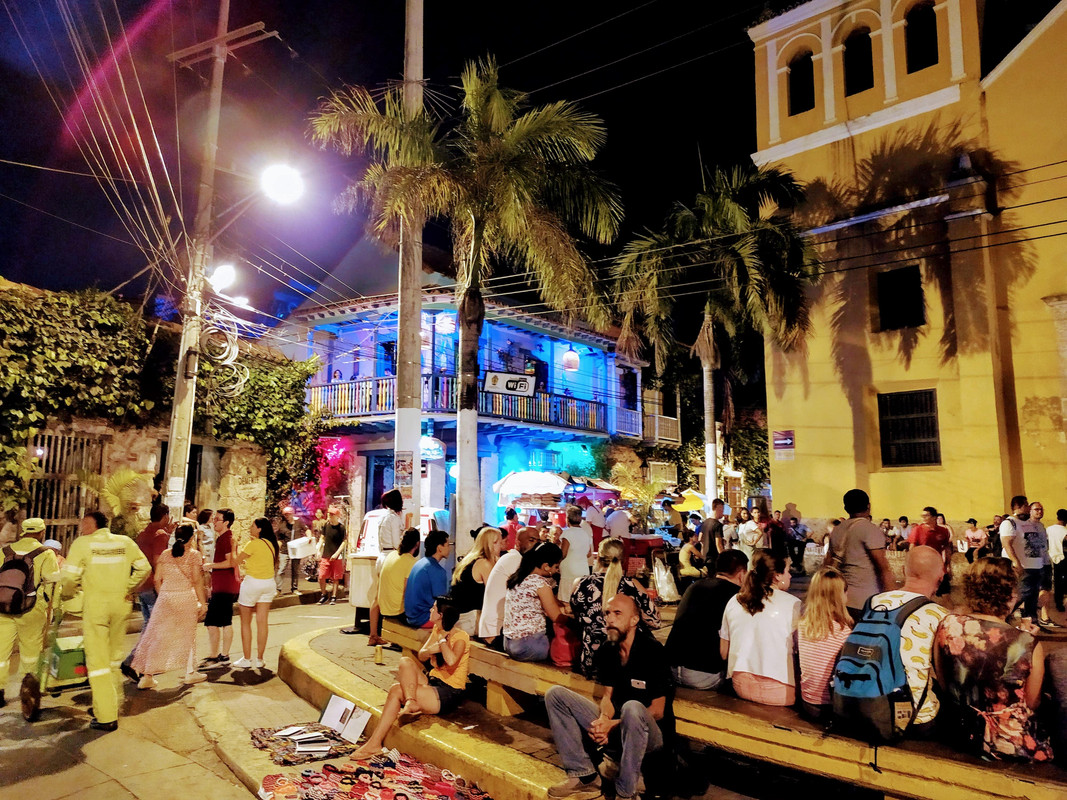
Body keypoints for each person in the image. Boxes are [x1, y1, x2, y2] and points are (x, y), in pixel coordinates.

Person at [546, 594, 673, 800]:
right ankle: (584, 777)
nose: (610, 619)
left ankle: (626, 793)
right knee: (556, 695)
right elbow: (608, 697)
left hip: (649, 735)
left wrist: (612, 724)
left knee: (632, 707)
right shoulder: (608, 650)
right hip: (619, 726)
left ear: (634, 620)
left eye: (617, 613)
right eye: (607, 613)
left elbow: (658, 711)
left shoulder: (652, 651)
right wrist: (604, 720)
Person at [934, 557, 1052, 761]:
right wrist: (1022, 639)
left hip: (958, 732)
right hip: (1007, 744)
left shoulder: (948, 625)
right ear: (1011, 594)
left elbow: (945, 684)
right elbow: (1032, 702)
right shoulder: (1028, 643)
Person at [61, 511, 150, 731]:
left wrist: (66, 594)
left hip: (96, 608)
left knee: (98, 663)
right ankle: (113, 703)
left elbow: (70, 577)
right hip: (121, 604)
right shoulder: (125, 542)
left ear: (92, 524)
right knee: (113, 658)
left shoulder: (83, 544)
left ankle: (106, 716)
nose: (82, 527)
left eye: (84, 523)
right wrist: (128, 587)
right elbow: (144, 568)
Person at [351, 596, 469, 760]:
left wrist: (441, 642)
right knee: (406, 662)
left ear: (441, 615)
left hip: (449, 692)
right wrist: (433, 647)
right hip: (433, 682)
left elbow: (451, 660)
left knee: (396, 691)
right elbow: (421, 655)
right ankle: (411, 702)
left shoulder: (461, 637)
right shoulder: (436, 630)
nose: (430, 610)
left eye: (434, 608)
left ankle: (374, 744)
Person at [865, 545, 949, 735]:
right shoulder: (940, 616)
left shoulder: (873, 602)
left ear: (903, 571)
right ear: (940, 578)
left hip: (867, 704)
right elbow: (944, 677)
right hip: (915, 719)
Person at [719, 550, 801, 706]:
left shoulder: (735, 600)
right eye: (788, 571)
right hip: (780, 691)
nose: (790, 576)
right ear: (777, 575)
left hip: (740, 685)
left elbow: (724, 652)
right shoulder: (793, 604)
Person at [571, 537, 661, 678]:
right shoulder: (632, 585)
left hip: (591, 662)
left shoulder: (580, 584)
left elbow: (577, 617)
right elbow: (655, 621)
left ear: (598, 558)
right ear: (624, 560)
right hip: (625, 663)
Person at [131, 524, 208, 688]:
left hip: (165, 597)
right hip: (185, 597)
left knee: (156, 636)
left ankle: (147, 676)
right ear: (191, 538)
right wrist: (202, 602)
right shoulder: (194, 555)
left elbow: (157, 579)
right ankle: (190, 673)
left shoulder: (166, 554)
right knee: (188, 635)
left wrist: (164, 594)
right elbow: (196, 580)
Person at [0, 517, 60, 716]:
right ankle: (28, 691)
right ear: (42, 533)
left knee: (1, 653)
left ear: (23, 532)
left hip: (3, 608)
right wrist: (55, 609)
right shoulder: (46, 554)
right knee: (30, 653)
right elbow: (53, 584)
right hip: (31, 610)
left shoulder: (4, 551)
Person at [666, 549, 748, 690]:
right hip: (703, 674)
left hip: (671, 667)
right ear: (741, 574)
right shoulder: (736, 597)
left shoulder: (694, 586)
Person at [823, 489, 895, 621]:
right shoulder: (870, 530)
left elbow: (827, 563)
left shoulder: (837, 530)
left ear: (845, 508)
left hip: (840, 597)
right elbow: (883, 568)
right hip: (865, 600)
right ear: (869, 506)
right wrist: (891, 601)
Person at [796, 568, 853, 720]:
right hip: (829, 708)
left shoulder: (803, 626)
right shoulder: (843, 632)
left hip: (807, 702)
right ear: (839, 596)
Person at [503, 542, 567, 662]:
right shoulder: (539, 583)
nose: (557, 571)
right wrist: (576, 621)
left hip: (509, 643)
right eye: (556, 567)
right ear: (546, 566)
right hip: (527, 646)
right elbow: (556, 617)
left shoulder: (519, 577)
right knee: (566, 649)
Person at [478, 526, 538, 646]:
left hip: (497, 629)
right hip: (495, 632)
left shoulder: (514, 558)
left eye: (538, 541)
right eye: (531, 540)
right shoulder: (514, 560)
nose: (536, 545)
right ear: (518, 542)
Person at [999, 495, 1053, 628]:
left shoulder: (1029, 523)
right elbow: (1006, 543)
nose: (1029, 508)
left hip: (1036, 566)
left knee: (1031, 599)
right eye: (1027, 505)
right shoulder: (1009, 523)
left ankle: (1030, 625)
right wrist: (1015, 561)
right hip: (1022, 567)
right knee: (1021, 595)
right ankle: (1001, 618)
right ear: (1020, 506)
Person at [233, 517, 279, 669]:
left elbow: (236, 561)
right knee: (262, 623)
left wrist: (234, 547)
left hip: (252, 583)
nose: (250, 528)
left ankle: (247, 659)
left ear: (259, 529)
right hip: (268, 584)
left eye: (252, 525)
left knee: (246, 622)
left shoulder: (252, 544)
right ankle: (259, 659)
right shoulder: (272, 545)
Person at [199, 508, 240, 670]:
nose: (214, 522)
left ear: (226, 522)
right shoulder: (224, 538)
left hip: (225, 586)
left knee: (215, 622)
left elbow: (230, 562)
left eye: (218, 519)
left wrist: (211, 565)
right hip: (224, 585)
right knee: (222, 621)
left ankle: (218, 656)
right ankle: (219, 655)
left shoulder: (226, 538)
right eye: (214, 519)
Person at [369, 527, 421, 645]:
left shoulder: (391, 555)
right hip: (397, 612)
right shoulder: (411, 562)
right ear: (417, 544)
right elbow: (409, 592)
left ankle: (373, 635)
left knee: (376, 597)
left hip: (383, 608)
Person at [450, 526, 501, 635]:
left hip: (458, 616)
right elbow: (494, 594)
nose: (501, 546)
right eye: (499, 543)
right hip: (469, 620)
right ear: (491, 544)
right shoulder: (484, 564)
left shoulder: (469, 559)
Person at [403, 530, 451, 628]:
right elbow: (442, 602)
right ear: (439, 548)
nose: (450, 548)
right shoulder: (437, 571)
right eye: (447, 545)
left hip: (411, 616)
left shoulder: (420, 563)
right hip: (423, 618)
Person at [1027, 501, 1062, 629]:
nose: (1039, 511)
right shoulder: (1026, 526)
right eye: (1036, 509)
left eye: (1041, 509)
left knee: (1046, 589)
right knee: (1033, 592)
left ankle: (1044, 618)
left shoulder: (1041, 526)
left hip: (1045, 562)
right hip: (1033, 564)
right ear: (1029, 511)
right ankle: (1030, 618)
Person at [912, 506, 953, 596]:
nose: (923, 518)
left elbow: (946, 548)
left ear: (934, 517)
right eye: (922, 515)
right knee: (925, 595)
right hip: (923, 567)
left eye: (926, 515)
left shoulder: (943, 531)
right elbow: (912, 548)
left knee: (945, 595)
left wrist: (948, 565)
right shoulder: (917, 530)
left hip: (939, 568)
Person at [558, 505, 593, 603]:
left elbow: (563, 554)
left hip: (569, 570)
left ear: (567, 519)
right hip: (583, 569)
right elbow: (589, 554)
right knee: (579, 599)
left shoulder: (567, 533)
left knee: (566, 600)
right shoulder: (585, 533)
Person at [318, 505, 347, 605]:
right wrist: (318, 547)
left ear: (337, 516)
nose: (330, 517)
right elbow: (322, 537)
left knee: (336, 577)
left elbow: (344, 542)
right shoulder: (326, 525)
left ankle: (334, 596)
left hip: (336, 556)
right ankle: (324, 594)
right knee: (321, 576)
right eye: (329, 515)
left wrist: (337, 553)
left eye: (332, 515)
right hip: (326, 554)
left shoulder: (341, 528)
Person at [697, 498, 726, 570]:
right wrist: (724, 558)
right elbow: (718, 545)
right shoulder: (717, 525)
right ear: (717, 508)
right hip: (714, 558)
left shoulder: (705, 523)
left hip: (705, 558)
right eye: (722, 509)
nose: (723, 512)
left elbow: (700, 539)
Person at [1049, 508, 1067, 613]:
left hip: (1050, 557)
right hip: (1063, 558)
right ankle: (1060, 604)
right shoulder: (1065, 531)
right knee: (1062, 581)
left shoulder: (1048, 529)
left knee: (1056, 582)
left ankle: (1058, 603)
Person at [195, 508, 215, 593]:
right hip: (206, 553)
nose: (213, 518)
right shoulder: (201, 528)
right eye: (211, 516)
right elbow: (200, 542)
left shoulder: (210, 527)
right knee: (205, 574)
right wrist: (203, 556)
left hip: (211, 552)